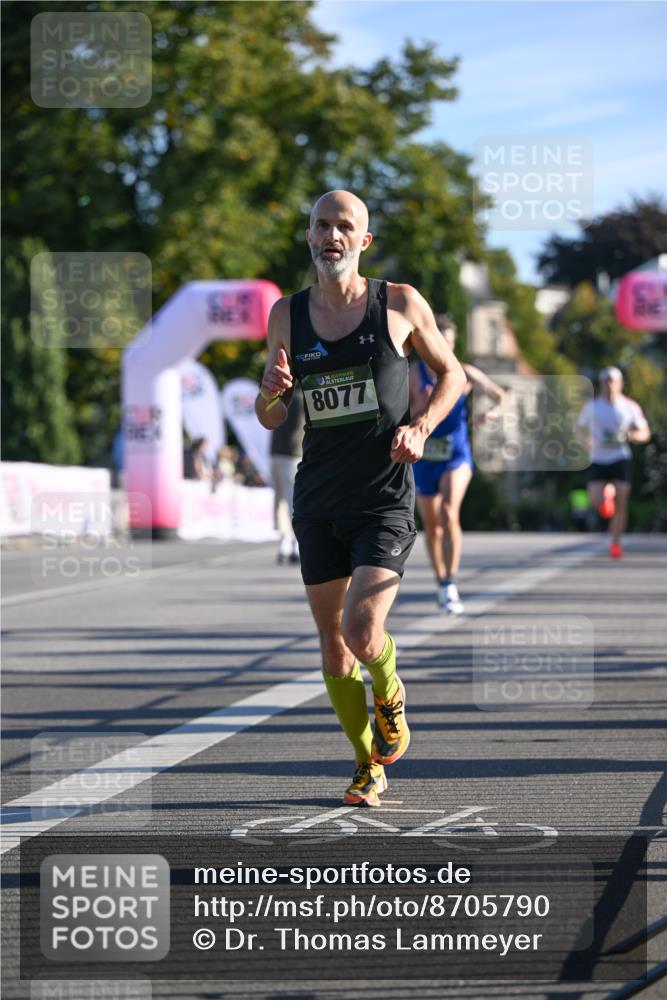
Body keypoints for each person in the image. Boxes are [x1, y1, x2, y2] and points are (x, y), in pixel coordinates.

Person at [255, 189, 466, 807]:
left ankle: (390, 688)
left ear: (363, 240)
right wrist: (270, 392)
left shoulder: (397, 303)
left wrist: (420, 427)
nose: (332, 235)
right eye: (321, 225)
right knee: (331, 643)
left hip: (383, 496)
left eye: (344, 226)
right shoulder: (285, 315)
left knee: (361, 630)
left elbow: (451, 373)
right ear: (309, 236)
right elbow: (271, 417)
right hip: (318, 495)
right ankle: (365, 763)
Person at [409, 318, 505, 614]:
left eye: (450, 342)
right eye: (441, 340)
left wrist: (490, 413)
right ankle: (441, 582)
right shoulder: (414, 375)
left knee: (449, 512)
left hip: (456, 454)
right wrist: (420, 409)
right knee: (432, 527)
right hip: (425, 457)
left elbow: (500, 396)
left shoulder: (463, 373)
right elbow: (400, 416)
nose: (446, 347)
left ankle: (451, 581)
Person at [576, 366, 651, 558]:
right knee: (596, 500)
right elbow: (578, 429)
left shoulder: (629, 406)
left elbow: (645, 433)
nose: (609, 385)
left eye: (613, 381)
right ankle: (605, 497)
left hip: (620, 457)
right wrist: (586, 441)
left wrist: (633, 435)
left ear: (620, 384)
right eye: (606, 381)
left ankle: (616, 543)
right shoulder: (592, 406)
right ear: (601, 384)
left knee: (622, 502)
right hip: (599, 458)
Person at [270, 383, 305, 564]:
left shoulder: (278, 400)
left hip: (276, 454)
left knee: (280, 501)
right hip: (295, 454)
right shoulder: (303, 398)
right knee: (294, 502)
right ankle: (294, 543)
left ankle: (283, 541)